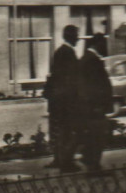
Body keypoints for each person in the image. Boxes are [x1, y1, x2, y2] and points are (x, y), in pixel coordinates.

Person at [43, 24, 81, 172]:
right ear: (71, 37)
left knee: (59, 130)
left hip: (58, 100)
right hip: (64, 101)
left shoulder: (61, 51)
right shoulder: (67, 52)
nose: (78, 39)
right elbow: (68, 79)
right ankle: (66, 163)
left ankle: (59, 159)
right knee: (67, 131)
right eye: (76, 35)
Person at [78, 32, 114, 172]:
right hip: (95, 107)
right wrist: (97, 106)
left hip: (92, 107)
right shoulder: (92, 60)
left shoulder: (88, 58)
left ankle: (89, 159)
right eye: (103, 44)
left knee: (93, 136)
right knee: (97, 136)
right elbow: (91, 86)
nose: (105, 47)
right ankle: (94, 167)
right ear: (97, 44)